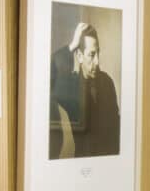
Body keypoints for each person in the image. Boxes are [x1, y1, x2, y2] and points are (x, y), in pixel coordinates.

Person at [48, 20, 121, 159]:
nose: (98, 61)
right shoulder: (71, 85)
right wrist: (71, 46)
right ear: (80, 56)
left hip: (109, 164)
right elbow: (45, 78)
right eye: (92, 55)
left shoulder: (107, 82)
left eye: (98, 53)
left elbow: (117, 129)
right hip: (83, 166)